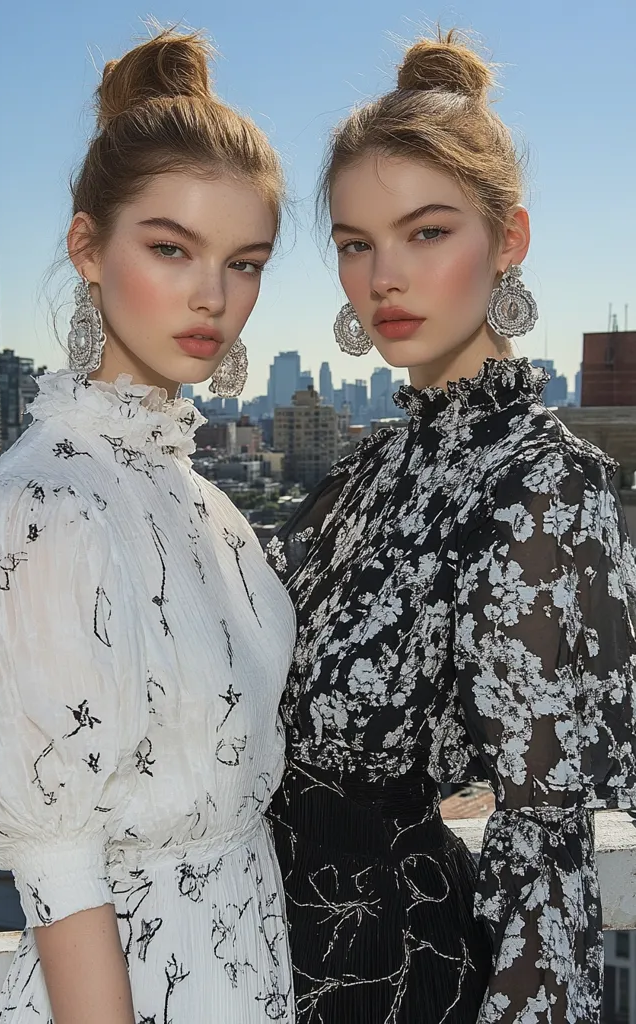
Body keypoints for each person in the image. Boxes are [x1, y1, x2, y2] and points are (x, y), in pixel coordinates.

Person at [266, 29, 636, 1024]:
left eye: (426, 232)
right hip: (255, 967)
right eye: (355, 242)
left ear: (506, 240)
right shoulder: (365, 470)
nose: (383, 275)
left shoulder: (541, 487)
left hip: (389, 984)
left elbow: (545, 853)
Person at [0, 28, 295, 1024]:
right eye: (170, 248)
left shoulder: (209, 503)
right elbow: (59, 868)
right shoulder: (40, 505)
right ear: (85, 248)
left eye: (244, 261)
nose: (212, 296)